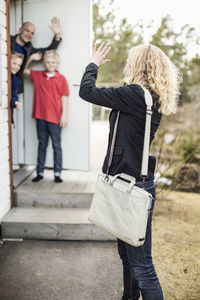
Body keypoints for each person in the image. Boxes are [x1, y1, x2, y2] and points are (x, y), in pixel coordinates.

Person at [79, 42, 181, 300]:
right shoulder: (149, 96)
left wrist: (93, 63)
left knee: (142, 265)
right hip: (131, 182)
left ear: (139, 65)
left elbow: (87, 91)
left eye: (129, 60)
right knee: (128, 256)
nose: (125, 63)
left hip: (132, 188)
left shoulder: (135, 94)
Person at [23, 50, 70, 183]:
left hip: (55, 118)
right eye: (48, 62)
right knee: (42, 145)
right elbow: (23, 70)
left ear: (57, 63)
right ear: (44, 63)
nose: (50, 64)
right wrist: (31, 58)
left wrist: (64, 116)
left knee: (56, 145)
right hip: (40, 117)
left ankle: (57, 173)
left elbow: (64, 98)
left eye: (53, 62)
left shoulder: (61, 79)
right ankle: (40, 172)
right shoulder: (38, 75)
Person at [11, 17, 62, 93]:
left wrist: (57, 35)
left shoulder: (29, 49)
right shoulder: (7, 40)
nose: (29, 34)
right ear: (20, 30)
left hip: (14, 87)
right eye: (27, 31)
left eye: (32, 33)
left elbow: (48, 50)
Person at [10, 52, 24, 123]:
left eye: (19, 65)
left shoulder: (15, 81)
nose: (16, 67)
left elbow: (13, 96)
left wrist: (15, 102)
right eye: (14, 63)